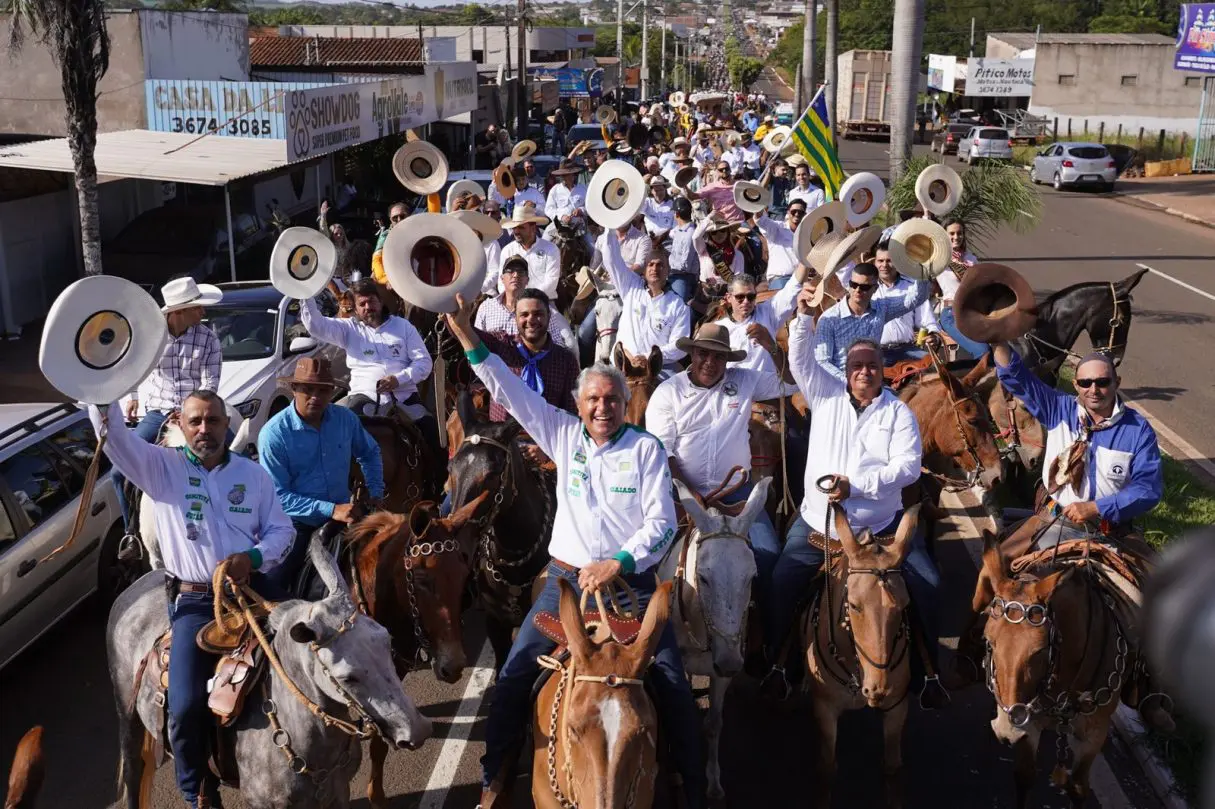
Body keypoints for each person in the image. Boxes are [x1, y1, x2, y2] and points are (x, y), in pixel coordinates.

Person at [441, 295, 705, 809]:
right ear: (579, 406)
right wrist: (467, 336)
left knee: (674, 687)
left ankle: (692, 789)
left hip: (633, 588)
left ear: (624, 403)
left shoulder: (645, 449)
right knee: (515, 676)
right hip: (567, 581)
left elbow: (662, 522)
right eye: (592, 401)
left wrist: (619, 563)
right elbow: (508, 390)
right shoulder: (563, 435)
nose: (602, 408)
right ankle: (495, 778)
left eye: (611, 400)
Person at [90, 390, 294, 809]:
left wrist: (253, 556)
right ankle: (197, 789)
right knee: (183, 706)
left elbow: (282, 532)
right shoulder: (159, 468)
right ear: (181, 426)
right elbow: (114, 438)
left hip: (253, 589)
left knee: (317, 648)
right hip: (197, 602)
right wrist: (101, 391)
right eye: (196, 421)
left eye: (213, 421)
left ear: (227, 425)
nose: (205, 429)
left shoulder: (252, 475)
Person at [762, 292, 938, 700]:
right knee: (780, 582)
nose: (864, 373)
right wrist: (803, 315)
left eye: (872, 367)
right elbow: (801, 357)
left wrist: (855, 486)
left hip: (882, 529)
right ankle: (777, 664)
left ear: (883, 372)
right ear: (846, 371)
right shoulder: (824, 395)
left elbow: (908, 468)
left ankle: (930, 675)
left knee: (929, 584)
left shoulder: (898, 413)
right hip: (819, 526)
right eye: (857, 366)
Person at [645, 323, 784, 600]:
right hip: (679, 493)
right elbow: (662, 451)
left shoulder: (744, 380)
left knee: (769, 557)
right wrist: (690, 495)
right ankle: (657, 629)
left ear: (727, 360)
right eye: (703, 354)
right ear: (692, 354)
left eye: (718, 356)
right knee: (651, 560)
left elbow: (789, 381)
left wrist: (772, 347)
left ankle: (764, 636)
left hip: (736, 493)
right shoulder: (668, 392)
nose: (710, 362)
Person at [992, 345, 1162, 547]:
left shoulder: (1138, 430)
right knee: (998, 566)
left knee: (1155, 577)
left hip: (1110, 532)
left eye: (1103, 382)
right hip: (1054, 520)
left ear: (1117, 383)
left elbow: (1147, 489)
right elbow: (1015, 375)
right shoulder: (1057, 407)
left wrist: (1096, 507)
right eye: (1085, 382)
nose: (1093, 390)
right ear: (1075, 385)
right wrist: (997, 339)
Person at [257, 358, 386, 593]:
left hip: (346, 512)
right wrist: (332, 509)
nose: (315, 396)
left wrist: (375, 491)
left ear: (331, 392)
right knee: (272, 583)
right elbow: (279, 496)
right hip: (296, 522)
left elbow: (369, 452)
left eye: (323, 390)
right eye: (307, 389)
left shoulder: (345, 419)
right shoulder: (274, 435)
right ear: (294, 389)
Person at [296, 279, 441, 470]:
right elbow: (316, 325)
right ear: (355, 309)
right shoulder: (348, 329)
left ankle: (439, 490)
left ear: (380, 302)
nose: (367, 307)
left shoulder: (403, 327)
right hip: (363, 397)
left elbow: (424, 363)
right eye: (362, 304)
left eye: (371, 301)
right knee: (335, 436)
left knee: (433, 435)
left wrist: (398, 379)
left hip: (404, 397)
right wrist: (303, 292)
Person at [117, 278, 224, 533]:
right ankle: (130, 534)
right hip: (157, 413)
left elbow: (210, 384)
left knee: (233, 458)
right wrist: (132, 396)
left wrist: (191, 414)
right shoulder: (148, 336)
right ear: (179, 312)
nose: (203, 311)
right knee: (118, 473)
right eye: (197, 307)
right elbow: (132, 366)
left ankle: (234, 520)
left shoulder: (209, 339)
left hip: (197, 413)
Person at [471, 287, 580, 424]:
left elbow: (571, 413)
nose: (531, 320)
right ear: (515, 318)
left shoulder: (566, 360)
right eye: (524, 314)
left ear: (549, 316)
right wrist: (455, 314)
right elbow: (469, 335)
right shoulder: (500, 345)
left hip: (548, 441)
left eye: (538, 314)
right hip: (504, 440)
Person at [814, 262, 932, 382]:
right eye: (853, 285)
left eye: (864, 287)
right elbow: (822, 361)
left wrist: (921, 267)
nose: (858, 290)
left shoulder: (882, 308)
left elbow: (916, 298)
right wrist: (849, 382)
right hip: (839, 384)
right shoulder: (829, 318)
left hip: (873, 381)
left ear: (875, 289)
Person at [600, 229, 692, 377]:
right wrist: (610, 226)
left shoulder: (678, 306)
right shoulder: (630, 287)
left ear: (668, 271)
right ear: (643, 270)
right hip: (623, 365)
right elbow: (611, 260)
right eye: (650, 265)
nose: (655, 269)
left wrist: (647, 356)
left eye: (660, 265)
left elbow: (680, 346)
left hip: (657, 370)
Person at [476, 255, 576, 351]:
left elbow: (556, 344)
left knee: (572, 345)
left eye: (521, 272)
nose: (515, 275)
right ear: (502, 279)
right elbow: (477, 344)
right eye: (510, 271)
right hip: (495, 365)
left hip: (533, 365)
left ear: (527, 280)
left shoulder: (542, 309)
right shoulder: (486, 307)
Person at [873, 243, 943, 364]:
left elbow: (927, 320)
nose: (884, 265)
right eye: (880, 261)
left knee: (935, 366)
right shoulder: (867, 288)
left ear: (898, 262)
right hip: (878, 352)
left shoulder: (913, 287)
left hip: (908, 349)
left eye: (889, 260)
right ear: (875, 262)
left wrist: (933, 335)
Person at [935, 219, 987, 359]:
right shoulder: (940, 259)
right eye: (951, 233)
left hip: (974, 311)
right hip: (952, 314)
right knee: (983, 351)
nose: (956, 237)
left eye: (959, 233)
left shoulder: (971, 259)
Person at [499, 202, 562, 301]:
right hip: (513, 302)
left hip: (544, 303)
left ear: (533, 228)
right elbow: (501, 282)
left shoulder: (551, 249)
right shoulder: (507, 250)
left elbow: (551, 283)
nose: (516, 231)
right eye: (514, 227)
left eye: (521, 227)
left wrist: (527, 300)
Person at [753, 198, 807, 290]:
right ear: (788, 212)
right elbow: (760, 219)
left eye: (800, 212)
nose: (797, 214)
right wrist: (758, 197)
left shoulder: (806, 233)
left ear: (804, 215)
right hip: (780, 280)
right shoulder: (777, 228)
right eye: (794, 211)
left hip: (800, 280)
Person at [666, 197, 700, 303]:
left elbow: (684, 266)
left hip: (683, 277)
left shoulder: (689, 233)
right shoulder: (681, 230)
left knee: (678, 304)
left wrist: (667, 262)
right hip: (676, 275)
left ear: (676, 214)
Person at [371, 201, 410, 290]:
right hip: (392, 281)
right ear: (390, 220)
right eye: (395, 218)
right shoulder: (385, 236)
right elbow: (377, 260)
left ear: (409, 216)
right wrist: (386, 280)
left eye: (402, 216)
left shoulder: (420, 231)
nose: (399, 220)